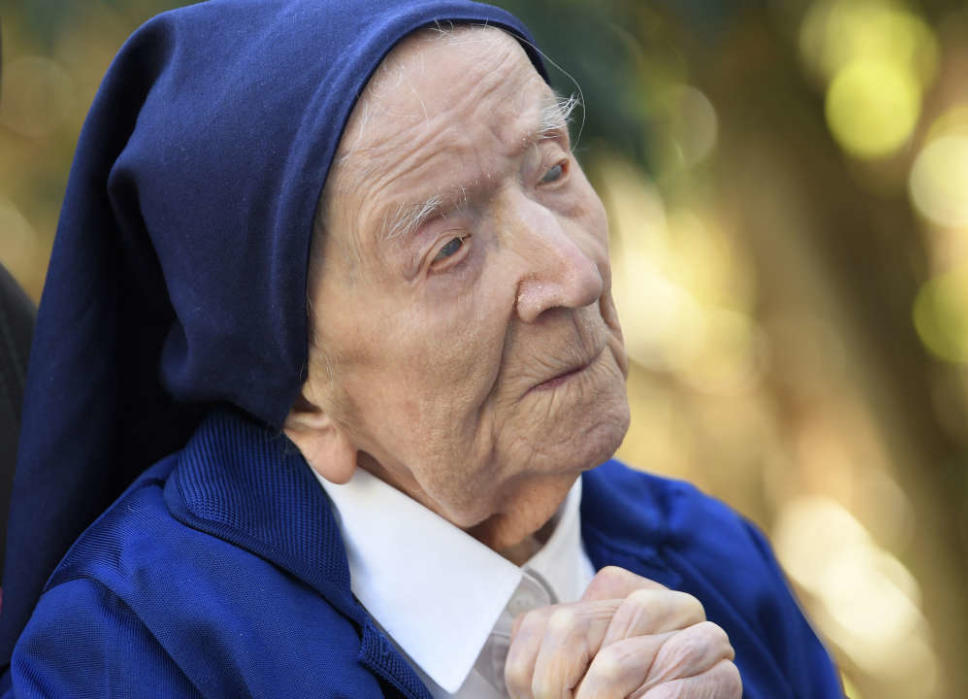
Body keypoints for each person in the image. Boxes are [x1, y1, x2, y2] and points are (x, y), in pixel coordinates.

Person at [0, 1, 846, 696]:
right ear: (301, 393)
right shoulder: (136, 653)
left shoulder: (708, 555)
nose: (573, 272)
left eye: (551, 170)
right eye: (448, 247)